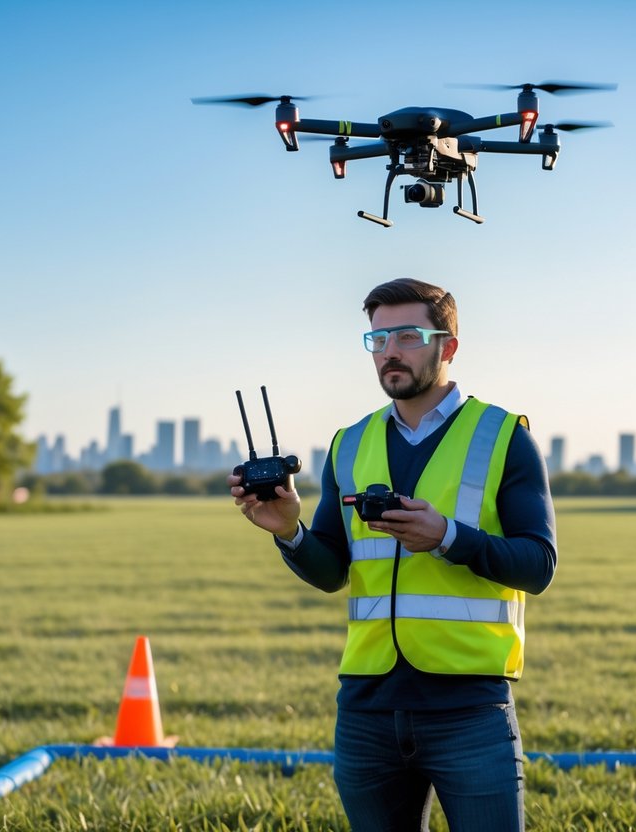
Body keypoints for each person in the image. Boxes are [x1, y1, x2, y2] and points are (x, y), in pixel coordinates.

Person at [230, 277, 557, 832]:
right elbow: (332, 570)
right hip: (366, 707)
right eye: (377, 340)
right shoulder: (349, 442)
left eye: (406, 336)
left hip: (470, 708)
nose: (389, 353)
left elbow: (538, 564)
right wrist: (290, 532)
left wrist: (447, 536)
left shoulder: (503, 436)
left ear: (447, 346)